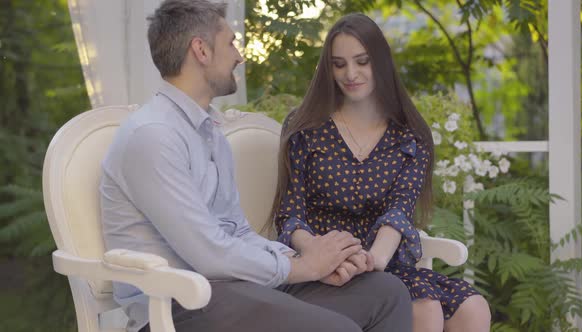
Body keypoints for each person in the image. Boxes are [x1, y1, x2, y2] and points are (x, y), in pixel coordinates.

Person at [100, 1, 413, 332]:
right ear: (201, 50)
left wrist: (312, 261)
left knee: (386, 292)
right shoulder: (152, 136)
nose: (240, 56)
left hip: (236, 289)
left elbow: (238, 233)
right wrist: (304, 267)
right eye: (231, 43)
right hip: (179, 305)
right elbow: (209, 255)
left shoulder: (209, 133)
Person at [271, 13, 492, 332]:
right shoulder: (305, 128)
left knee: (474, 309)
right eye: (339, 64)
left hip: (382, 260)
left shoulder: (410, 136)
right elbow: (290, 215)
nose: (350, 74)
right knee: (426, 311)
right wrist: (319, 254)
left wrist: (373, 261)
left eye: (362, 61)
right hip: (323, 267)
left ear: (381, 61)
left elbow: (398, 212)